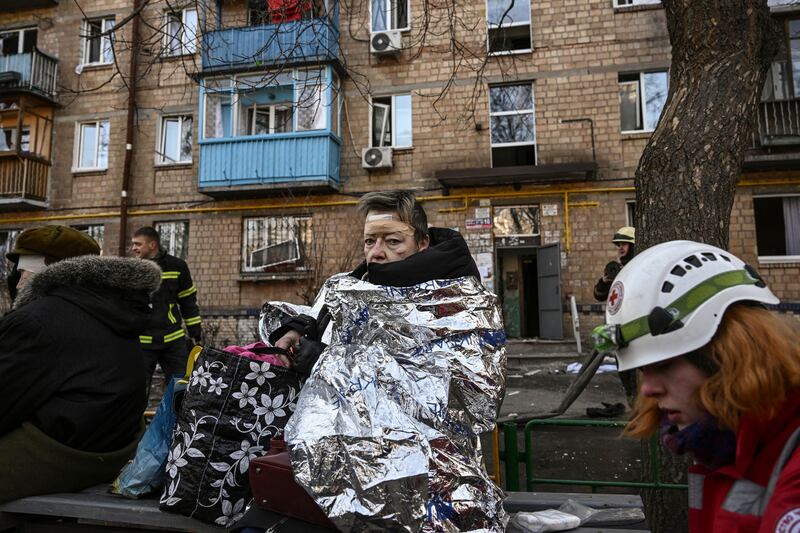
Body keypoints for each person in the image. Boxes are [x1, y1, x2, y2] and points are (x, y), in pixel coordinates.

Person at [592, 240, 800, 533]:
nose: (648, 390)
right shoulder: (723, 449)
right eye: (643, 370)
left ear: (731, 353)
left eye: (664, 365)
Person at [0, 225, 162, 501]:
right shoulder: (113, 312)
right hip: (108, 453)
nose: (17, 283)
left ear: (49, 270)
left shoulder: (38, 320)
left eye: (23, 272)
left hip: (59, 455)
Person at [131, 227, 202, 388]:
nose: (133, 248)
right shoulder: (133, 270)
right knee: (137, 390)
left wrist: (195, 333)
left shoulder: (177, 266)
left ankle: (175, 414)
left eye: (137, 244)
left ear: (152, 244)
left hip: (173, 340)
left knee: (181, 386)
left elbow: (188, 301)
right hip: (142, 342)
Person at [593, 226, 635, 302]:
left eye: (624, 244)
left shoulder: (638, 266)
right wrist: (604, 283)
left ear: (632, 246)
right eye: (619, 245)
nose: (620, 248)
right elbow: (599, 296)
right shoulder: (618, 269)